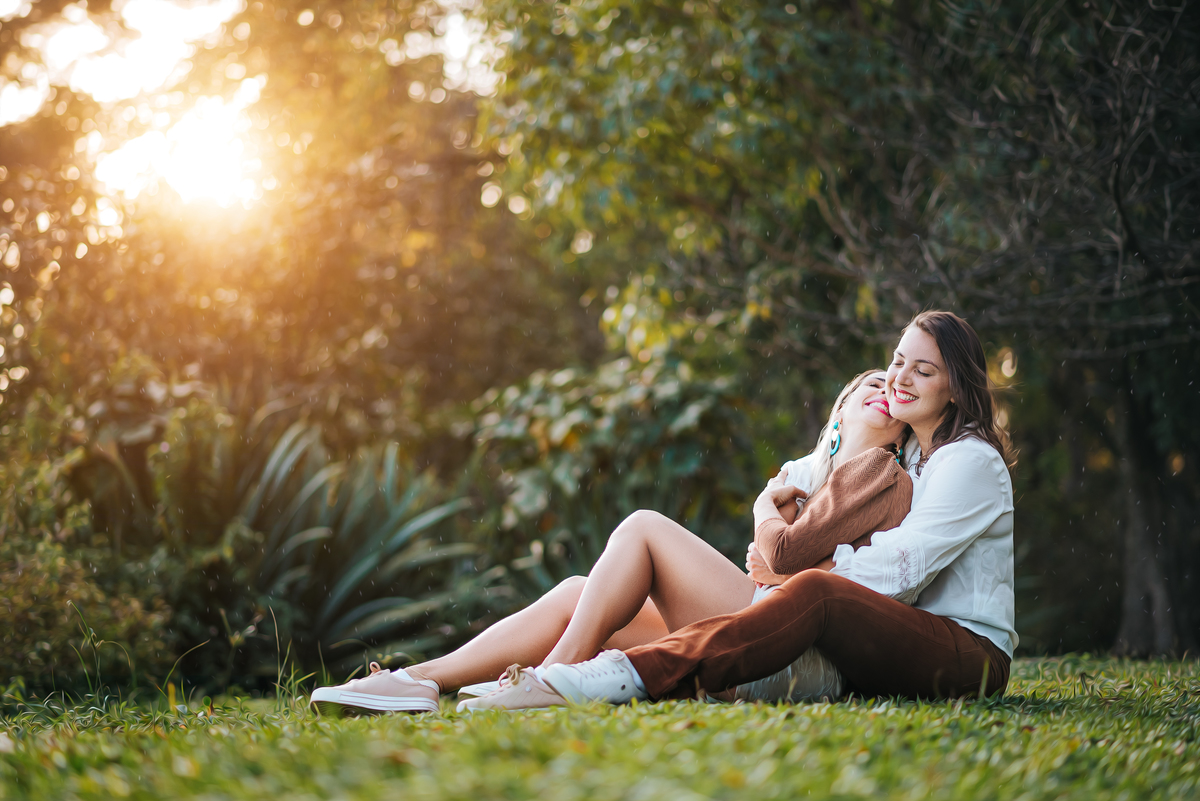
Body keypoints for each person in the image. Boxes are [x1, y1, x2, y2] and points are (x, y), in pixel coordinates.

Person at [309, 368, 912, 716]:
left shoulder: (881, 472)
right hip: (759, 630)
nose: (884, 389)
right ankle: (418, 681)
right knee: (580, 590)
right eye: (872, 382)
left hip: (789, 654)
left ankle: (549, 675)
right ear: (839, 410)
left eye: (894, 390)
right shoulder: (814, 478)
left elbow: (798, 568)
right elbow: (775, 565)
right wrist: (776, 554)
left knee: (645, 527)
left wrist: (765, 518)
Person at [516, 310, 1016, 708]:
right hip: (891, 637)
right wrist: (775, 518)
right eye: (898, 361)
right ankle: (509, 677)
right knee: (811, 589)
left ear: (956, 388)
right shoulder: (912, 455)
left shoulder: (968, 461)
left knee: (817, 591)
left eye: (923, 371)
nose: (899, 378)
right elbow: (814, 489)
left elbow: (898, 570)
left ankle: (625, 674)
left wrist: (790, 576)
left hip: (968, 651)